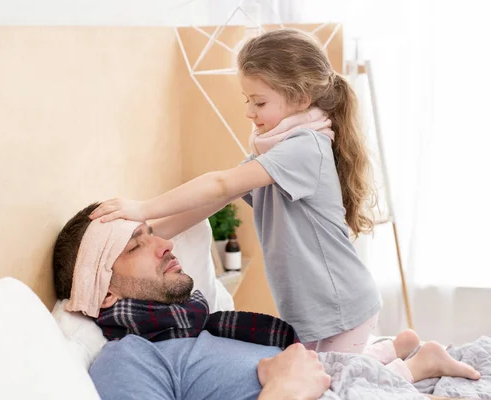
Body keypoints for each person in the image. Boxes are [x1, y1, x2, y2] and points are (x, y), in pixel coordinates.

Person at [88, 28, 382, 355]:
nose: (248, 112)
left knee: (337, 383)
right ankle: (392, 353)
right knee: (320, 376)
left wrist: (144, 208)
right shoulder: (275, 153)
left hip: (341, 305)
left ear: (301, 99)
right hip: (317, 308)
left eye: (259, 102)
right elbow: (218, 198)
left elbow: (220, 183)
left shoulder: (305, 149)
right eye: (248, 100)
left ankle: (414, 363)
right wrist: (147, 234)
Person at [52, 203, 480, 400]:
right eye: (134, 246)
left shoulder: (206, 326)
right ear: (103, 292)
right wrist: (284, 390)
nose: (163, 244)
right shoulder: (128, 360)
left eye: (152, 232)